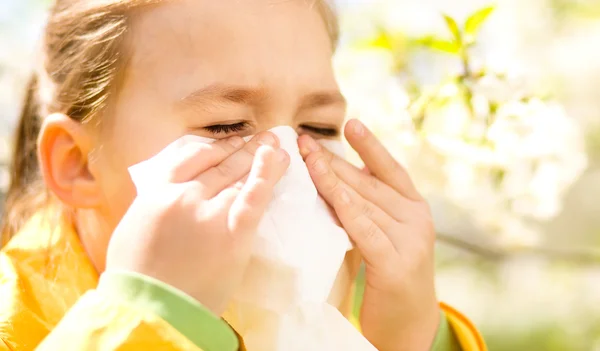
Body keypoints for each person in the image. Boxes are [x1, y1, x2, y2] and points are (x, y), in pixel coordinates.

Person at [0, 0, 486, 350]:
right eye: (225, 127)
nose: (285, 166)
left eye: (316, 128)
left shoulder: (346, 314)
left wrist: (414, 338)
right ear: (79, 164)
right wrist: (147, 319)